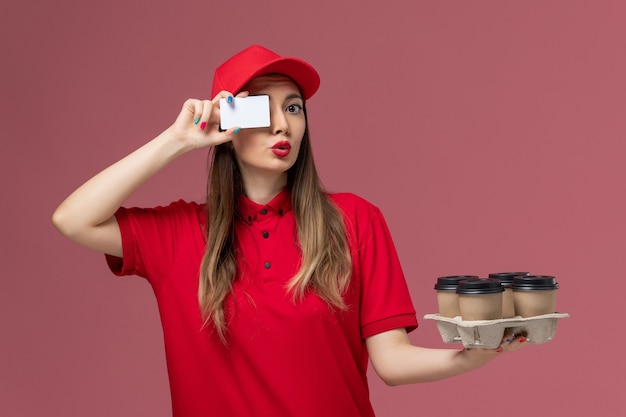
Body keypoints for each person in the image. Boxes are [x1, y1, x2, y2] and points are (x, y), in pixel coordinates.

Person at [52, 45, 526, 417]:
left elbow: (392, 363)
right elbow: (72, 218)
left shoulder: (354, 220)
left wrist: (475, 355)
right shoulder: (179, 232)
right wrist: (177, 141)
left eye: (294, 108)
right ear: (229, 123)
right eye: (261, 109)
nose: (283, 124)